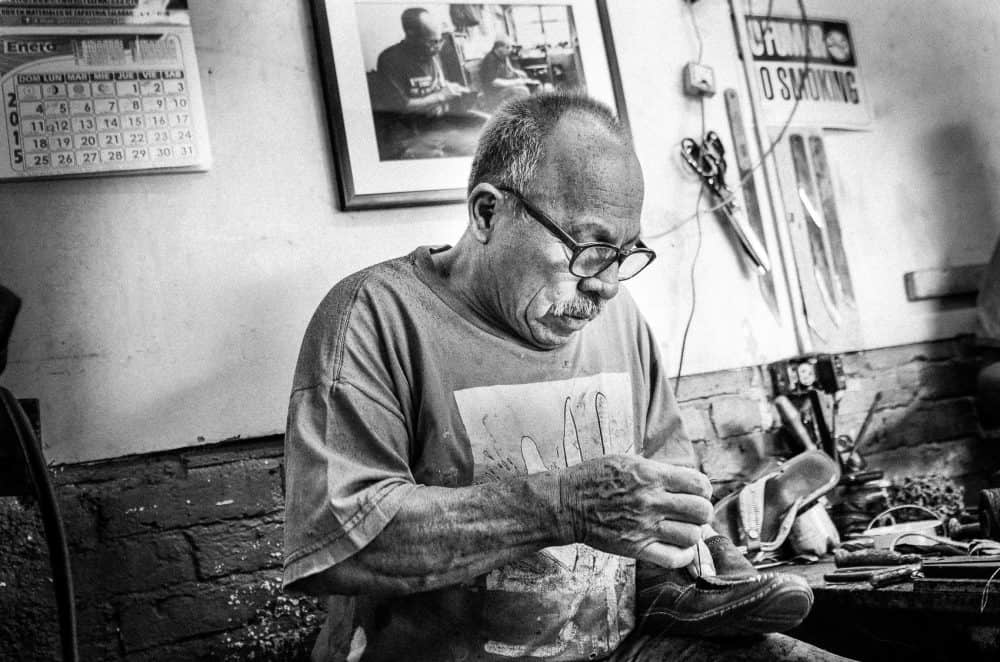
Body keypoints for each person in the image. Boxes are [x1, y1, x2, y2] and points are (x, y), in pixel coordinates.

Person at [283, 92, 852, 661]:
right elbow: (339, 547)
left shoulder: (619, 318)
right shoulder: (375, 316)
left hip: (626, 646)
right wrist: (562, 505)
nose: (605, 284)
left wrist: (689, 539)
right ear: (487, 213)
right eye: (588, 246)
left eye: (624, 254)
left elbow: (666, 479)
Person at [370, 7, 485, 160]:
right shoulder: (390, 59)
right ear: (411, 34)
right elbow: (400, 106)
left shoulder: (430, 55)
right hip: (410, 131)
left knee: (484, 133)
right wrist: (441, 96)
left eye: (440, 41)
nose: (437, 48)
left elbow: (435, 87)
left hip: (437, 123)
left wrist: (449, 88)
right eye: (432, 42)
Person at [478, 35, 539, 111]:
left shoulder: (502, 56)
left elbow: (510, 69)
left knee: (534, 85)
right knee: (522, 91)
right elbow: (494, 82)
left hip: (503, 89)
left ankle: (533, 111)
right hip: (494, 94)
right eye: (508, 47)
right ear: (499, 48)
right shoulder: (490, 60)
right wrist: (515, 82)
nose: (511, 50)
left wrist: (518, 73)